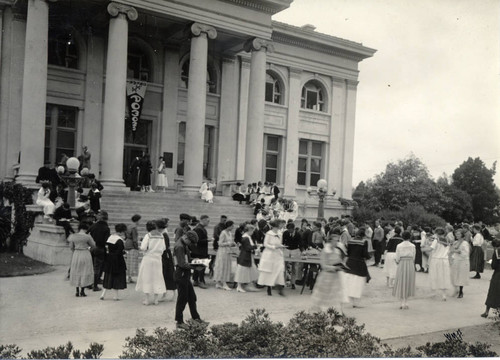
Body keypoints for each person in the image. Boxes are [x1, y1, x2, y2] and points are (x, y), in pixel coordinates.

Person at [173, 230, 208, 329]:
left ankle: (195, 318)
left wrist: (197, 261)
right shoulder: (179, 246)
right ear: (186, 238)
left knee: (192, 297)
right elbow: (182, 264)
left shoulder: (183, 244)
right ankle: (179, 321)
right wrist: (195, 267)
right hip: (181, 275)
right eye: (191, 242)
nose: (191, 245)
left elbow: (186, 260)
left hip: (185, 274)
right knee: (182, 299)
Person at [311, 238, 348, 313]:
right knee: (323, 295)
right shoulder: (325, 251)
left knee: (335, 295)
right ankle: (319, 311)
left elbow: (339, 261)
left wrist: (342, 266)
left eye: (337, 241)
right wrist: (334, 267)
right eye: (334, 241)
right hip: (326, 276)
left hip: (335, 277)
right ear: (330, 242)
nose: (336, 243)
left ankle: (337, 312)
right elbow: (324, 265)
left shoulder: (337, 251)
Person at [136, 221, 167, 305]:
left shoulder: (148, 235)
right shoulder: (161, 236)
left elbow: (143, 247)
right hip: (157, 259)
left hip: (148, 258)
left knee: (147, 278)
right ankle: (156, 299)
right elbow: (164, 248)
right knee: (157, 277)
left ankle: (147, 299)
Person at [258, 220, 286, 296]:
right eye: (280, 224)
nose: (282, 226)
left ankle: (279, 287)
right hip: (270, 254)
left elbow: (279, 243)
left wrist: (280, 246)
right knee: (270, 271)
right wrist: (274, 247)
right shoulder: (269, 233)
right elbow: (265, 244)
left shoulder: (280, 233)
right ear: (277, 225)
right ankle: (269, 287)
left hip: (278, 254)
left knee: (279, 270)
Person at [343, 228, 370, 308]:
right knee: (358, 283)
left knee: (351, 282)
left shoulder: (350, 241)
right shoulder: (364, 242)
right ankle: (356, 302)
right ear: (363, 235)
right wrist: (369, 256)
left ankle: (352, 300)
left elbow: (347, 252)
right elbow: (365, 254)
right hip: (359, 264)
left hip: (350, 263)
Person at [100, 223, 128, 300]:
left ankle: (103, 294)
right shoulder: (119, 241)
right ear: (122, 231)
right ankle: (115, 296)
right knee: (117, 278)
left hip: (109, 259)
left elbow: (107, 249)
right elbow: (119, 252)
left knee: (108, 277)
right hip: (117, 261)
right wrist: (124, 253)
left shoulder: (109, 238)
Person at [68, 222, 95, 297]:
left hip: (76, 254)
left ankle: (77, 290)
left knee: (76, 270)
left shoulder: (73, 236)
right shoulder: (87, 236)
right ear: (86, 229)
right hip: (85, 253)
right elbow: (93, 245)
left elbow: (71, 247)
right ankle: (82, 291)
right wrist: (88, 248)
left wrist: (75, 250)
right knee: (84, 270)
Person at [392, 231, 416, 309]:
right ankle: (406, 302)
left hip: (402, 263)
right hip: (410, 263)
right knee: (408, 281)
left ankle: (402, 302)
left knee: (401, 281)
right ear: (410, 237)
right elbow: (414, 257)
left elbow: (397, 257)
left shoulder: (399, 245)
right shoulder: (413, 246)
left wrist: (397, 261)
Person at [88, 211, 111, 291]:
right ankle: (95, 285)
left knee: (92, 266)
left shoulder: (93, 225)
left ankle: (90, 283)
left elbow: (88, 233)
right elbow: (106, 240)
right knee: (98, 267)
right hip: (100, 248)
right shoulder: (106, 228)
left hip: (91, 247)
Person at [429, 227, 452, 301]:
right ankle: (444, 294)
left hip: (436, 259)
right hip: (444, 260)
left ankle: (434, 292)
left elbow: (431, 249)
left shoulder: (436, 240)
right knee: (444, 276)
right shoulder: (448, 240)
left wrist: (423, 248)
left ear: (437, 234)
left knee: (434, 275)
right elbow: (449, 251)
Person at [235, 224, 259, 292]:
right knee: (242, 271)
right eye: (252, 231)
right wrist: (255, 246)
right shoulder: (246, 238)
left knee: (244, 271)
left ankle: (243, 285)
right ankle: (239, 286)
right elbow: (248, 248)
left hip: (246, 255)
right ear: (249, 230)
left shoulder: (246, 236)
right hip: (245, 256)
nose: (253, 232)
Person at [157, 218, 177, 302]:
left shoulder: (164, 234)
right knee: (164, 274)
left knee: (168, 274)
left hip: (166, 256)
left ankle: (174, 293)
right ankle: (164, 293)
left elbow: (165, 246)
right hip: (163, 255)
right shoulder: (162, 233)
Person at [213, 221, 236, 290]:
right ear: (228, 226)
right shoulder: (223, 232)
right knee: (222, 266)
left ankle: (219, 283)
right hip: (222, 252)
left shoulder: (229, 233)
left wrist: (233, 243)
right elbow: (220, 243)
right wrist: (229, 243)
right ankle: (223, 283)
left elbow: (231, 241)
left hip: (228, 251)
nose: (233, 227)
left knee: (226, 266)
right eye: (232, 226)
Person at [481, 239, 500, 318]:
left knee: (493, 292)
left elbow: (494, 266)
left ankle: (486, 312)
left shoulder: (496, 252)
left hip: (498, 274)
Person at [450, 228, 470, 298]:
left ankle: (461, 291)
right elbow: (452, 250)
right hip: (456, 260)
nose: (457, 235)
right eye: (456, 234)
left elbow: (466, 253)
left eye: (458, 234)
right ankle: (456, 289)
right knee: (454, 275)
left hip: (463, 261)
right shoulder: (455, 242)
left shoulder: (465, 243)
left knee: (461, 276)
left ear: (462, 235)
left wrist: (457, 251)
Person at [191, 215, 210, 289]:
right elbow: (197, 240)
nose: (208, 222)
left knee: (198, 265)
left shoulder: (200, 228)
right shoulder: (199, 229)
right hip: (200, 250)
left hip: (199, 250)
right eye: (208, 221)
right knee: (201, 266)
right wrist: (207, 240)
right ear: (203, 220)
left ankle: (195, 280)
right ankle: (200, 281)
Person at [283, 222, 303, 290]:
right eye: (288, 229)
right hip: (287, 250)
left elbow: (300, 244)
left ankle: (293, 283)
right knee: (284, 267)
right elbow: (283, 242)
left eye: (290, 229)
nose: (289, 230)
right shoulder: (285, 233)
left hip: (295, 250)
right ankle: (283, 282)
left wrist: (302, 251)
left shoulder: (298, 234)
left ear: (293, 229)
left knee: (294, 267)